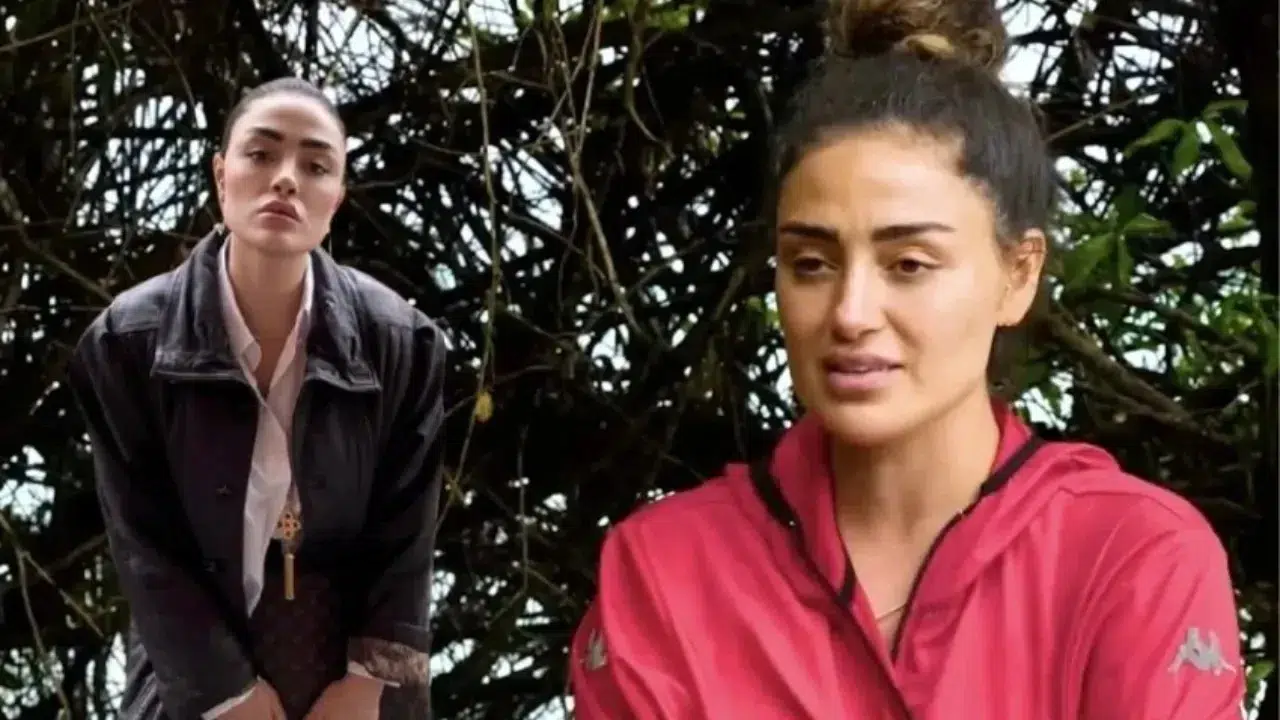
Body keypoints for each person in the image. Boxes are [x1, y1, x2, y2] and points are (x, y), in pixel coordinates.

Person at [567, 1, 1245, 718]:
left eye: (910, 264)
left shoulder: (1130, 557)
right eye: (811, 264)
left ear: (1018, 275)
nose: (851, 312)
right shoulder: (666, 573)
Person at [67, 77, 446, 720]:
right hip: (193, 668)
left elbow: (406, 534)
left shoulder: (401, 341)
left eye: (315, 166)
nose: (286, 180)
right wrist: (225, 694)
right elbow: (145, 544)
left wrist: (366, 686)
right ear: (222, 175)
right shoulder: (127, 342)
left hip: (355, 673)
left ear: (337, 198)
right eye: (262, 154)